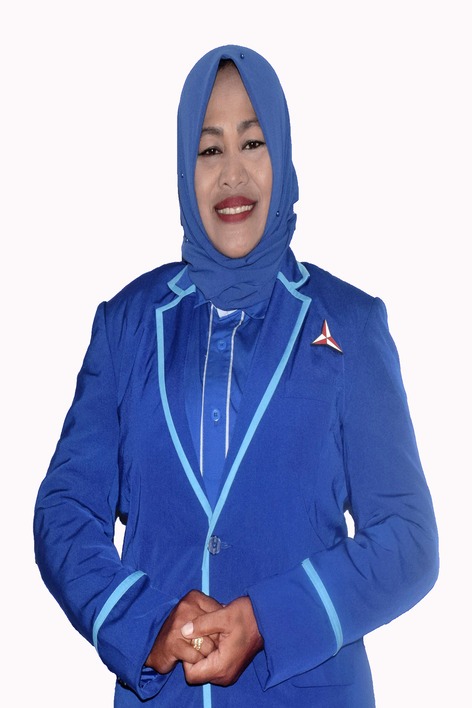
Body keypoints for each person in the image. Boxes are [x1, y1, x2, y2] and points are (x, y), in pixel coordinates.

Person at [34, 45, 439, 707]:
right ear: (183, 168)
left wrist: (267, 620)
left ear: (283, 155)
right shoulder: (127, 324)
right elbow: (65, 511)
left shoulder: (351, 324)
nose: (232, 174)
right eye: (209, 149)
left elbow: (408, 540)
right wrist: (144, 622)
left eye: (252, 143)